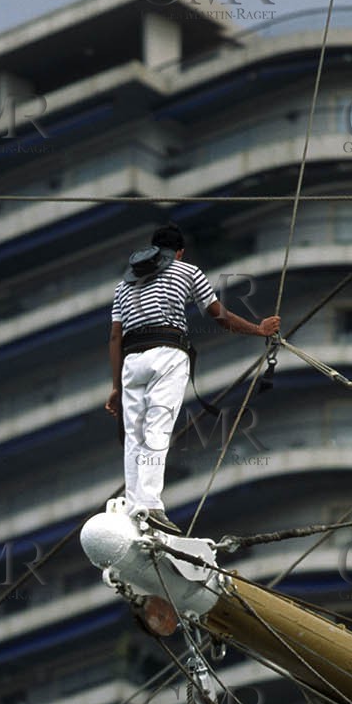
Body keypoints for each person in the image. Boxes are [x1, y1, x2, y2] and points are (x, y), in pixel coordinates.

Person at [105, 224, 279, 529]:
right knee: (158, 428)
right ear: (180, 252)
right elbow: (220, 316)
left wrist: (116, 387)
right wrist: (258, 329)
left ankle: (135, 508)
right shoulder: (187, 271)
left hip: (132, 362)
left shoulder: (123, 286)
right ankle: (150, 506)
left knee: (134, 435)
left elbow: (115, 337)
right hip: (168, 354)